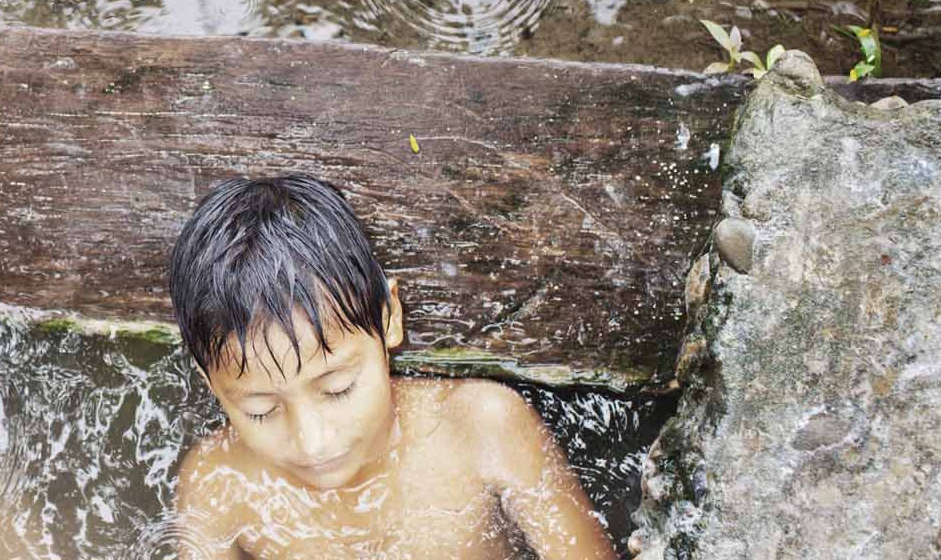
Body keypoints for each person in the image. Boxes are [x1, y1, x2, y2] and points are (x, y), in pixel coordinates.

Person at [166, 175, 617, 559]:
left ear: (389, 319)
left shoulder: (481, 428)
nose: (313, 441)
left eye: (339, 388)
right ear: (211, 384)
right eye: (262, 410)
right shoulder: (218, 484)